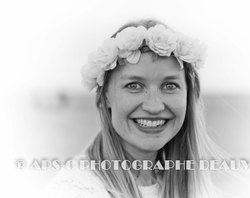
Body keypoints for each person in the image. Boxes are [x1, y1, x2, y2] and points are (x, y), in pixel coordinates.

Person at [45, 19, 224, 198]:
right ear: (106, 95)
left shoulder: (194, 185)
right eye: (134, 85)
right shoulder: (74, 191)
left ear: (188, 94)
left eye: (169, 86)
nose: (154, 107)